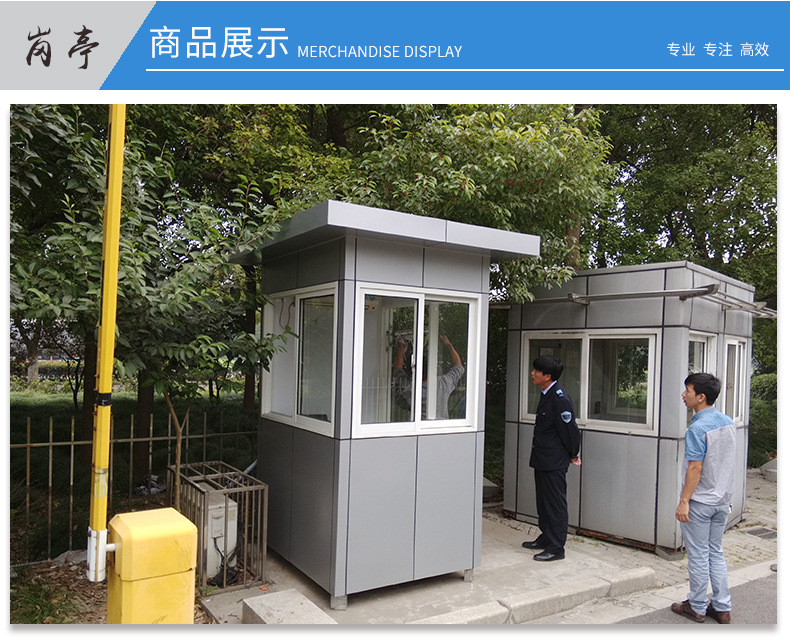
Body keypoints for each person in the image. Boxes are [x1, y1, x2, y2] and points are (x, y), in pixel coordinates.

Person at [671, 373, 736, 624]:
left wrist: (684, 500)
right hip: (721, 500)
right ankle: (722, 608)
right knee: (715, 552)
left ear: (701, 397)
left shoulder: (697, 428)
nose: (683, 394)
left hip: (700, 502)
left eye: (687, 390)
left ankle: (697, 606)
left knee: (698, 555)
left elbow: (695, 467)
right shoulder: (728, 422)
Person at [521, 355, 581, 562]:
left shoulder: (559, 398)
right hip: (543, 457)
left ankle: (556, 547)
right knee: (543, 502)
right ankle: (547, 536)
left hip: (554, 460)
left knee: (555, 504)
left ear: (547, 376)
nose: (532, 373)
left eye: (536, 371)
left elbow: (570, 430)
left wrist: (573, 453)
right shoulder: (546, 393)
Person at [393, 335, 464, 419]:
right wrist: (449, 345)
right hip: (442, 426)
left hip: (421, 426)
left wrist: (401, 346)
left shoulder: (411, 388)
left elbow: (397, 369)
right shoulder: (443, 383)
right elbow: (458, 367)